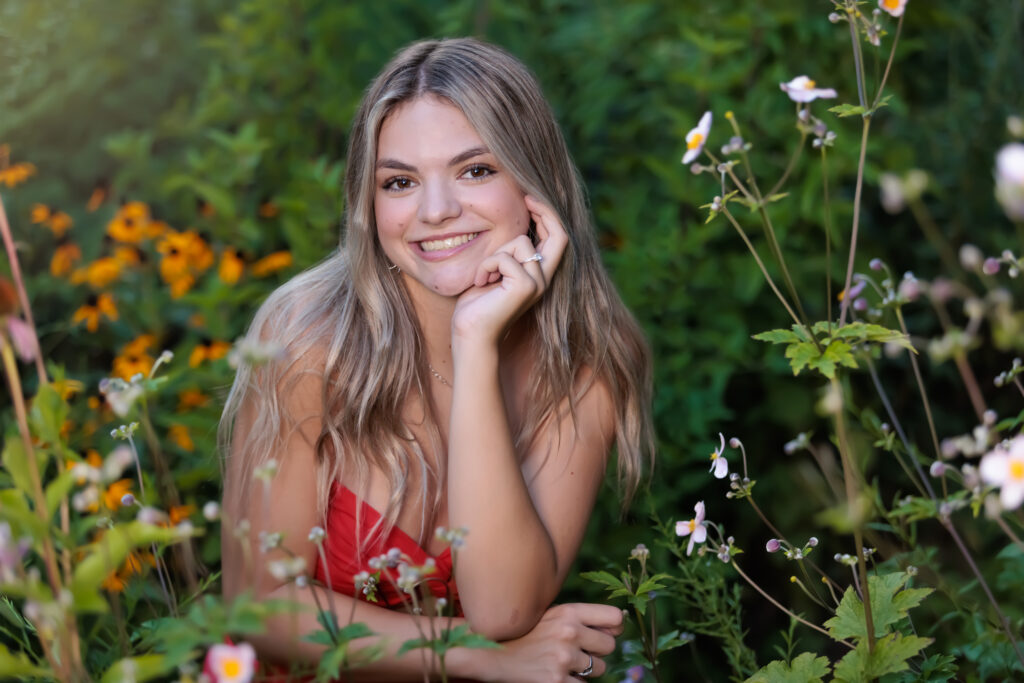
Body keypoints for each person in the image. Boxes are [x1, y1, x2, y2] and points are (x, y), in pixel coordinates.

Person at [219, 37, 654, 681]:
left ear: (536, 184)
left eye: (476, 170)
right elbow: (256, 607)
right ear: (369, 206)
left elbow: (503, 610)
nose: (435, 211)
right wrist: (473, 655)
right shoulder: (307, 340)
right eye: (399, 182)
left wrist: (474, 345)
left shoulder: (583, 365)